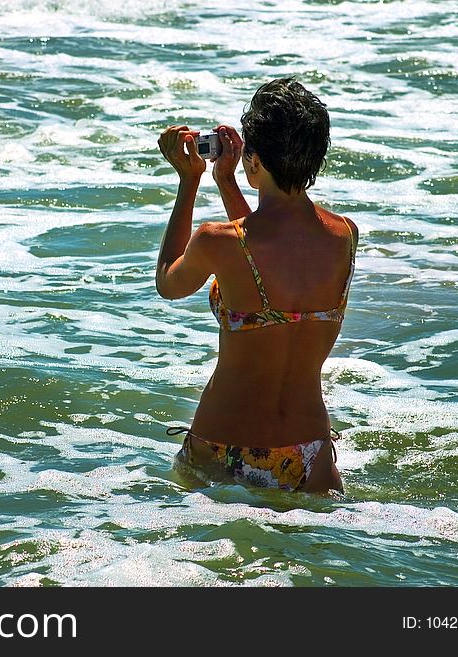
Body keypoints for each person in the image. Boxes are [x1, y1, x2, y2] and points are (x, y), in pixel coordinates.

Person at [156, 77, 357, 494]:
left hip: (226, 447)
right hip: (310, 454)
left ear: (254, 158)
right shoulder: (344, 237)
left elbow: (168, 283)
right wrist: (228, 183)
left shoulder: (218, 241)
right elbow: (268, 251)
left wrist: (189, 180)